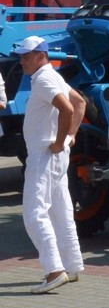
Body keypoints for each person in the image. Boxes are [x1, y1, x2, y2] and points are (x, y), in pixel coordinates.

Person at [16, 35, 86, 294]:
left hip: (44, 154)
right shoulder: (52, 76)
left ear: (41, 55)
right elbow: (80, 102)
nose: (22, 61)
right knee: (61, 212)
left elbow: (69, 108)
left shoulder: (44, 79)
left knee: (34, 214)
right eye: (22, 56)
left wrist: (60, 141)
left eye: (26, 56)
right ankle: (73, 266)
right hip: (55, 155)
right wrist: (70, 138)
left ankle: (54, 272)